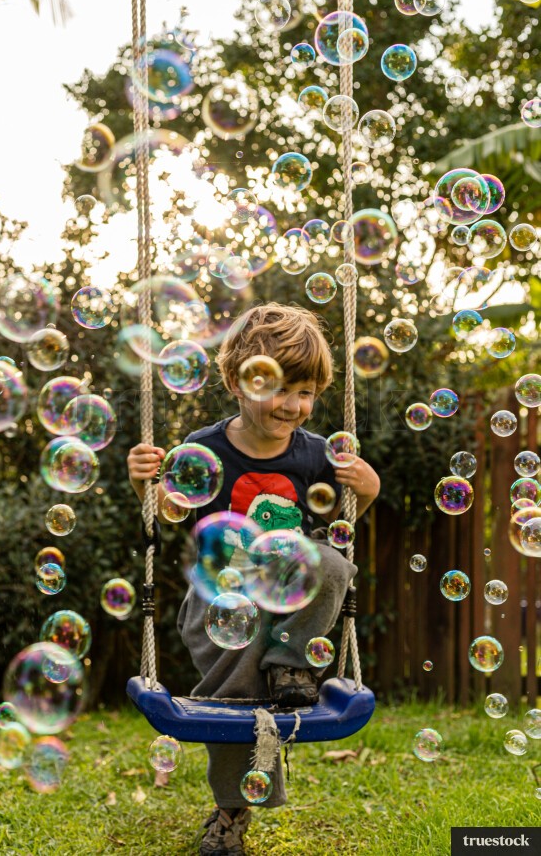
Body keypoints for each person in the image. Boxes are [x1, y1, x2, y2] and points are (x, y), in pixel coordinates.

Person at [128, 302, 380, 856]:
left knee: (332, 562)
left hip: (289, 598)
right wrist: (145, 485)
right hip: (220, 597)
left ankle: (291, 663)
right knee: (237, 703)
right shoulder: (204, 447)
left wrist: (366, 491)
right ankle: (230, 812)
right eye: (278, 388)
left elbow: (340, 528)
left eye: (306, 392)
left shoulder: (319, 456)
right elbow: (169, 510)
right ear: (237, 383)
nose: (293, 405)